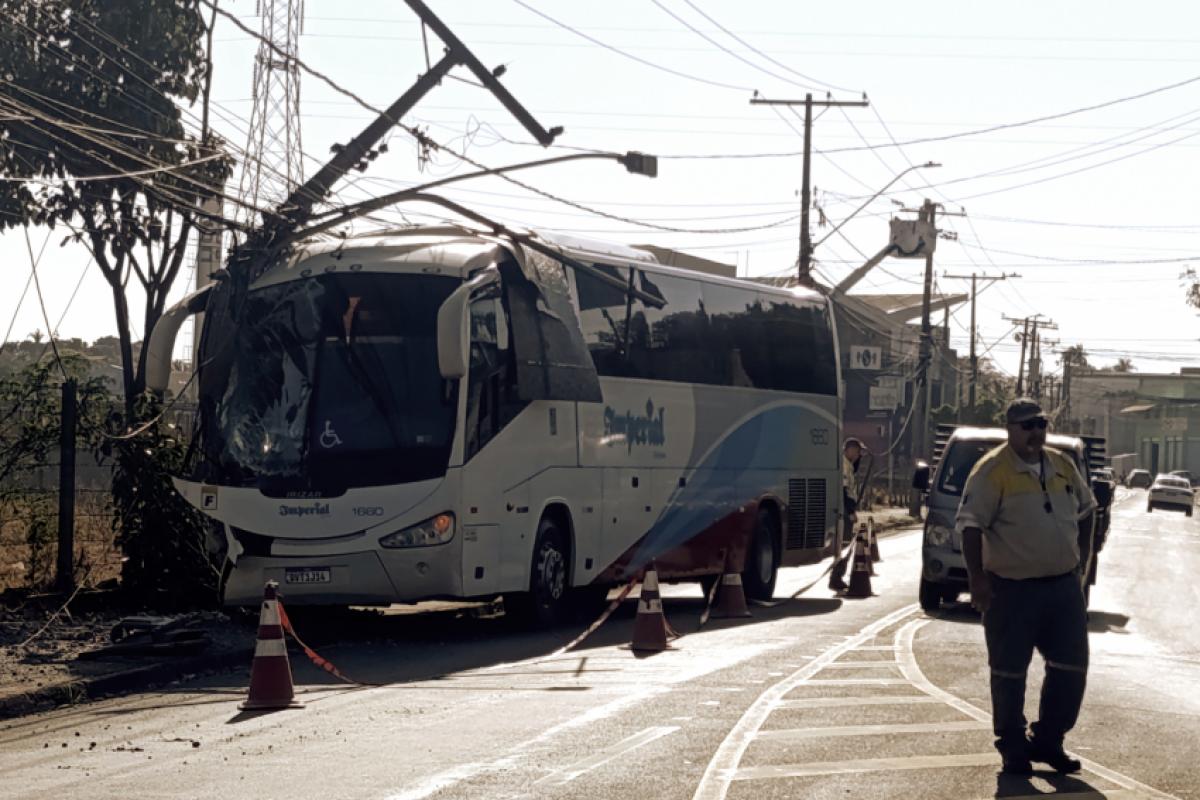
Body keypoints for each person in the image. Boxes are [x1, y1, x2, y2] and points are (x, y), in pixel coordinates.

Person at [956, 399, 1096, 776]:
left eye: (1041, 424)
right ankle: (1013, 747)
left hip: (1062, 588)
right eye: (1027, 425)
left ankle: (1049, 741)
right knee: (1009, 672)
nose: (1036, 432)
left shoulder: (1061, 464)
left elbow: (1087, 510)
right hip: (1011, 590)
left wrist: (1082, 563)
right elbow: (970, 526)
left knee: (1071, 666)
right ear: (1010, 429)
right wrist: (977, 579)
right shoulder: (992, 471)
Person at [829, 437, 863, 592]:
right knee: (844, 544)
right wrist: (850, 511)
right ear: (849, 449)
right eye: (856, 451)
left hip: (845, 509)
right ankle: (836, 577)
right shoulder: (843, 465)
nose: (858, 454)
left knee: (844, 543)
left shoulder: (848, 464)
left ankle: (837, 576)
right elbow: (844, 490)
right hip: (844, 510)